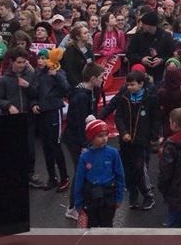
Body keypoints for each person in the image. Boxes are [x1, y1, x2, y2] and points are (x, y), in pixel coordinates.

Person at [99, 70, 159, 211]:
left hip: (141, 140)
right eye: (128, 85)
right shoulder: (124, 97)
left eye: (132, 85)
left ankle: (147, 194)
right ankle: (133, 194)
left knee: (139, 168)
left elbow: (156, 119)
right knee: (127, 168)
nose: (129, 87)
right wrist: (124, 132)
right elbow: (119, 117)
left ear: (141, 84)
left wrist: (153, 136)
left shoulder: (150, 98)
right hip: (126, 140)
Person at [0, 47, 44, 189]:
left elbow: (35, 94)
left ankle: (31, 174)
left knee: (30, 149)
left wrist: (28, 88)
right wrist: (9, 106)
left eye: (24, 62)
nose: (22, 65)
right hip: (12, 120)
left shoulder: (30, 75)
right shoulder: (4, 79)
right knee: (12, 149)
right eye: (19, 62)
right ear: (11, 62)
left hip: (27, 118)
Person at [61, 63, 104, 220]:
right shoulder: (81, 96)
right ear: (92, 78)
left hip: (78, 139)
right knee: (80, 173)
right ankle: (72, 207)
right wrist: (84, 145)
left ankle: (78, 204)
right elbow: (77, 123)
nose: (102, 80)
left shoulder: (88, 91)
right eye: (100, 77)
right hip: (76, 140)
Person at [73, 116, 125, 228]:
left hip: (108, 195)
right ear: (91, 137)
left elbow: (120, 176)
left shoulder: (113, 153)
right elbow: (79, 181)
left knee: (107, 225)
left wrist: (119, 197)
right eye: (100, 136)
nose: (105, 138)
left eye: (106, 135)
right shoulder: (84, 157)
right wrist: (78, 203)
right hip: (90, 197)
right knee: (92, 226)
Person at [32, 51, 71, 190]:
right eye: (39, 58)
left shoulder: (57, 72)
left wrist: (57, 76)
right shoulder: (37, 74)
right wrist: (34, 104)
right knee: (46, 146)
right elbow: (34, 92)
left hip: (53, 111)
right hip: (41, 112)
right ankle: (52, 177)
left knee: (55, 145)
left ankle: (64, 177)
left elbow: (66, 89)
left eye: (43, 58)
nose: (40, 61)